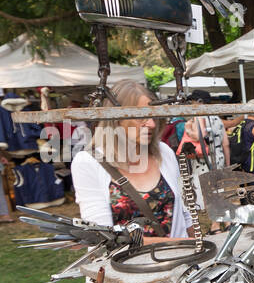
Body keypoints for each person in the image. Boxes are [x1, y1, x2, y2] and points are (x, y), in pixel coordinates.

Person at [70, 79, 192, 239]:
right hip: (124, 263)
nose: (151, 124)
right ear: (116, 119)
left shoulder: (163, 152)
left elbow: (185, 215)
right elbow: (102, 236)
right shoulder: (88, 162)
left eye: (152, 116)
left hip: (180, 260)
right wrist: (178, 244)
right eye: (141, 117)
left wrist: (199, 249)